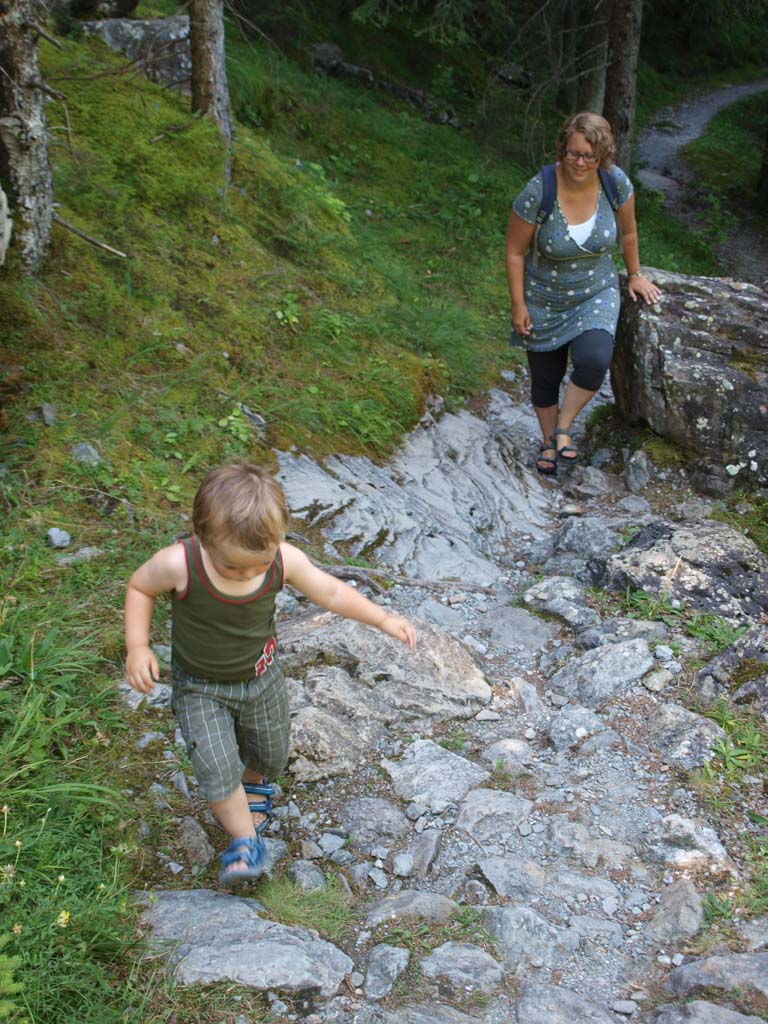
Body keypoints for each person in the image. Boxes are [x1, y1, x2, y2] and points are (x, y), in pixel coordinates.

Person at [124, 462, 416, 885]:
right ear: (202, 537)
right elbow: (139, 587)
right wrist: (138, 646)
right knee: (214, 763)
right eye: (232, 567)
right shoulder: (179, 563)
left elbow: (331, 591)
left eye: (256, 567)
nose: (246, 574)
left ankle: (253, 783)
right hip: (200, 687)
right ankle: (245, 841)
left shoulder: (284, 560)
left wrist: (383, 619)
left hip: (261, 681)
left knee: (271, 752)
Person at [505, 111, 661, 474]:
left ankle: (564, 427)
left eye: (590, 156)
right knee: (546, 377)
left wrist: (635, 274)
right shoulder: (539, 189)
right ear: (563, 149)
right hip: (544, 296)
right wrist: (518, 304)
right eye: (574, 154)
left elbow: (628, 233)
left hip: (596, 291)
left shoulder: (614, 183)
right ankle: (547, 441)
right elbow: (515, 251)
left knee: (594, 360)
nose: (581, 162)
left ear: (602, 156)